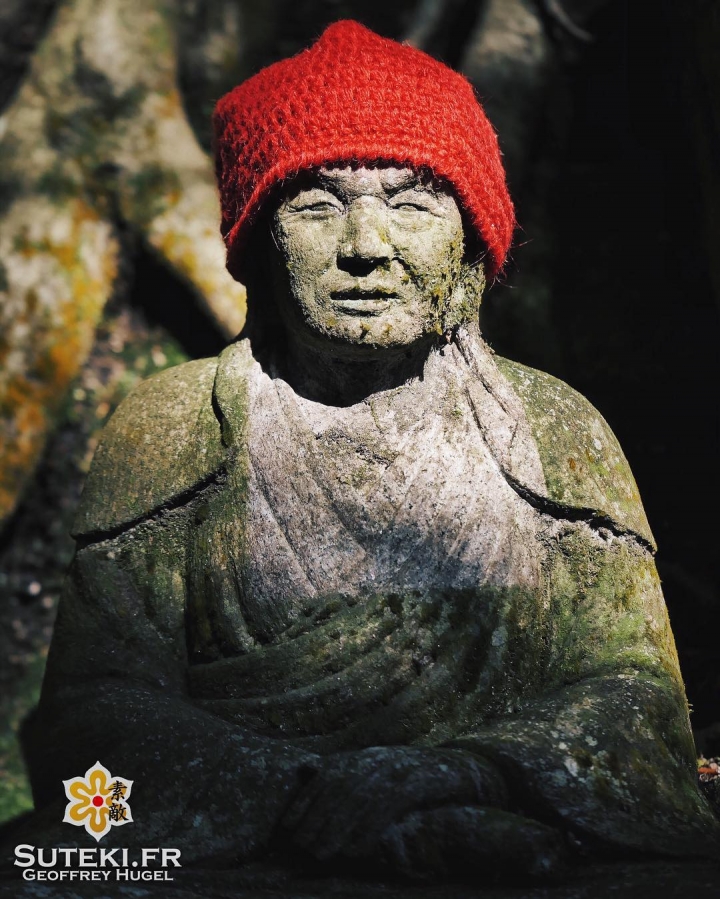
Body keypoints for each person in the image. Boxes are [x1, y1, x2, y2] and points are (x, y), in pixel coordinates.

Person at [23, 20, 718, 883]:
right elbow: (95, 711)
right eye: (316, 205)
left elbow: (637, 696)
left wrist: (466, 768)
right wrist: (311, 791)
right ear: (257, 242)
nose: (364, 247)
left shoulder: (555, 431)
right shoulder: (175, 424)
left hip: (503, 815)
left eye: (411, 201)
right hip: (250, 844)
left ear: (469, 238)